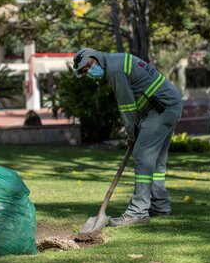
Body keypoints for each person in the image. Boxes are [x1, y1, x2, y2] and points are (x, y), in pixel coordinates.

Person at [73, 48, 182, 227]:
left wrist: (132, 134)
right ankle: (160, 206)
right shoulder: (117, 60)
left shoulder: (115, 69)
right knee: (155, 161)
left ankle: (138, 212)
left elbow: (127, 106)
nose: (89, 72)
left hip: (161, 108)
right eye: (85, 72)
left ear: (93, 57)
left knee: (142, 155)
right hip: (169, 104)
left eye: (87, 67)